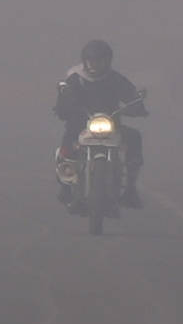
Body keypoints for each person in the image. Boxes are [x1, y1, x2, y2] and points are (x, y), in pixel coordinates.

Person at [55, 38, 145, 206]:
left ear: (107, 61)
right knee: (68, 141)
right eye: (91, 60)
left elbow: (131, 95)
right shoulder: (76, 79)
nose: (95, 64)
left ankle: (130, 188)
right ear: (85, 61)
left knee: (134, 138)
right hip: (80, 124)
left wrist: (137, 106)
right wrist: (63, 107)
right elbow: (63, 99)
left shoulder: (115, 79)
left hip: (111, 125)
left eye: (100, 61)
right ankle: (65, 185)